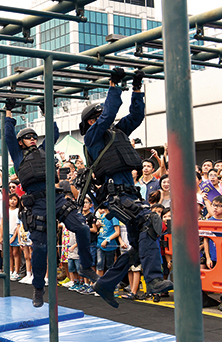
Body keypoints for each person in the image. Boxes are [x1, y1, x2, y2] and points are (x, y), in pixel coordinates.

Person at [78, 67, 173, 308]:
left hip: (130, 194)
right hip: (117, 196)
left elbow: (136, 115)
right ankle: (153, 281)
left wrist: (137, 88)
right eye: (97, 118)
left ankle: (106, 283)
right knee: (149, 222)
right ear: (91, 122)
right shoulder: (93, 138)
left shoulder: (116, 133)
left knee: (138, 247)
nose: (103, 120)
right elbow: (108, 114)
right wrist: (114, 85)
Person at [4, 98, 98, 307]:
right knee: (40, 248)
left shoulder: (45, 150)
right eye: (28, 137)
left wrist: (47, 111)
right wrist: (9, 112)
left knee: (82, 228)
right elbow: (8, 137)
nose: (32, 139)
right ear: (21, 142)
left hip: (55, 198)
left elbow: (53, 132)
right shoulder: (18, 156)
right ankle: (38, 287)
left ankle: (86, 266)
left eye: (33, 137)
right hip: (37, 204)